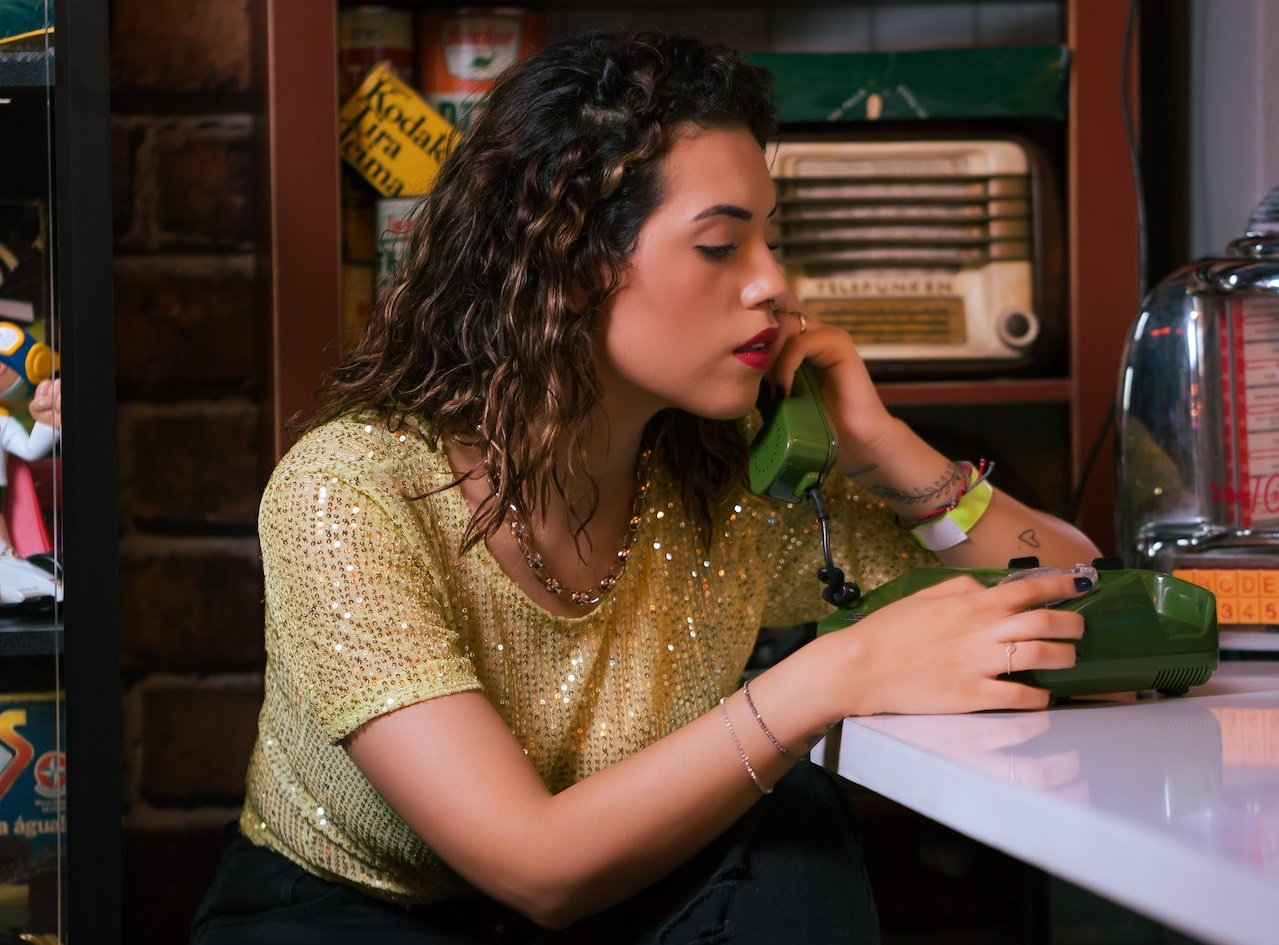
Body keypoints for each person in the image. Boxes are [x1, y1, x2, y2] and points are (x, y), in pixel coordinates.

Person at [191, 28, 1101, 945]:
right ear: (571, 262)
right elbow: (533, 866)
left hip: (633, 896)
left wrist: (883, 444)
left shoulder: (721, 469)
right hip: (356, 917)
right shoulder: (346, 494)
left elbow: (1073, 582)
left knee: (794, 832)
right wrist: (833, 672)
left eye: (769, 241)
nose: (774, 287)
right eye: (719, 247)